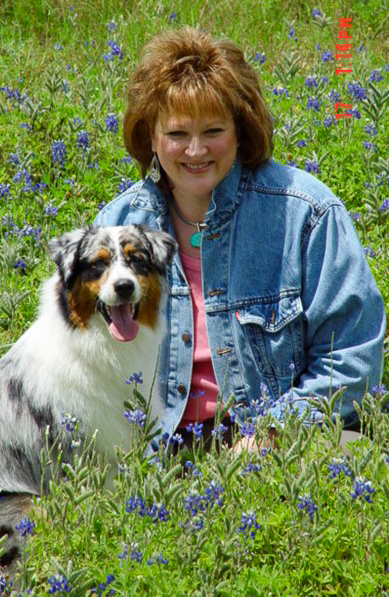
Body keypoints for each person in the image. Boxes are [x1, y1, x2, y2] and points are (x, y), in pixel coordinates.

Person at [93, 27, 385, 453]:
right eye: (177, 134)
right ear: (151, 138)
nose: (195, 151)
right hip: (155, 453)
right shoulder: (118, 225)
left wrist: (272, 433)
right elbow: (85, 356)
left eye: (213, 131)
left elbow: (352, 358)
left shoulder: (306, 213)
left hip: (282, 441)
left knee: (350, 451)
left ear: (241, 130)